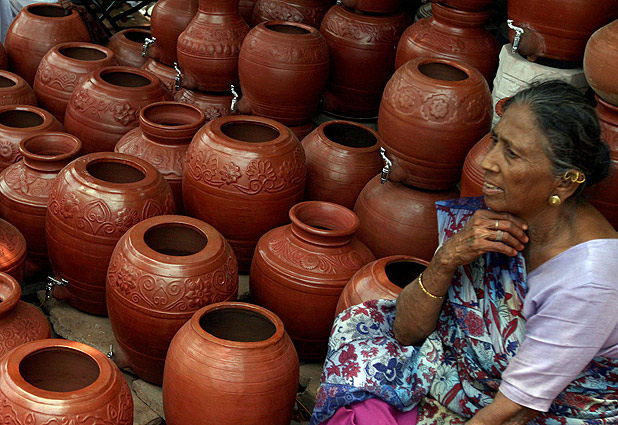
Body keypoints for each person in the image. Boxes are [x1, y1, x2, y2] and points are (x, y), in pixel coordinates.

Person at [310, 80, 618, 425]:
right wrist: (446, 260)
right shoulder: (496, 223)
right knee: (363, 334)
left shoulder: (590, 283)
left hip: (543, 413)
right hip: (465, 382)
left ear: (565, 182)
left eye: (512, 154)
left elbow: (514, 412)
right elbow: (406, 331)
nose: (488, 162)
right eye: (496, 141)